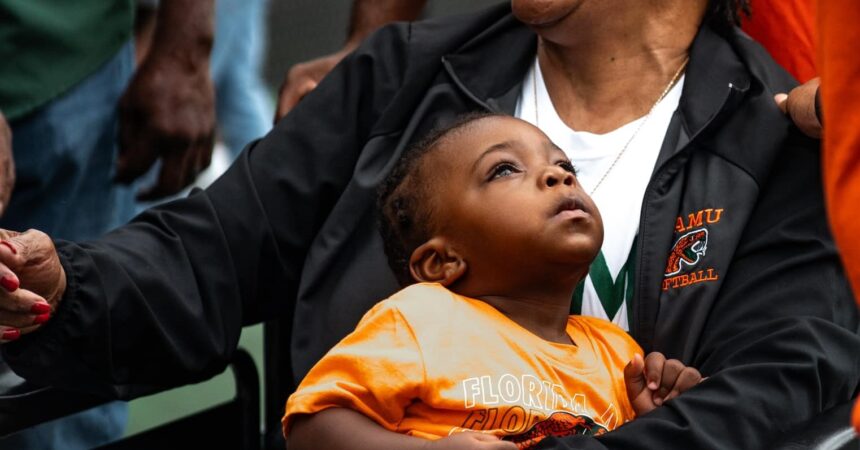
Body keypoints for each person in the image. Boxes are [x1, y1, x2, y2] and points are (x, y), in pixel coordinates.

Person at [0, 1, 858, 449]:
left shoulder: (778, 134)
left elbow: (777, 386)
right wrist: (67, 284)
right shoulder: (402, 75)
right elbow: (211, 252)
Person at [284, 113, 703, 449]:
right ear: (441, 262)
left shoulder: (617, 353)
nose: (558, 177)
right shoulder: (422, 318)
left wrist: (660, 422)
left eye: (563, 165)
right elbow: (312, 428)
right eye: (504, 170)